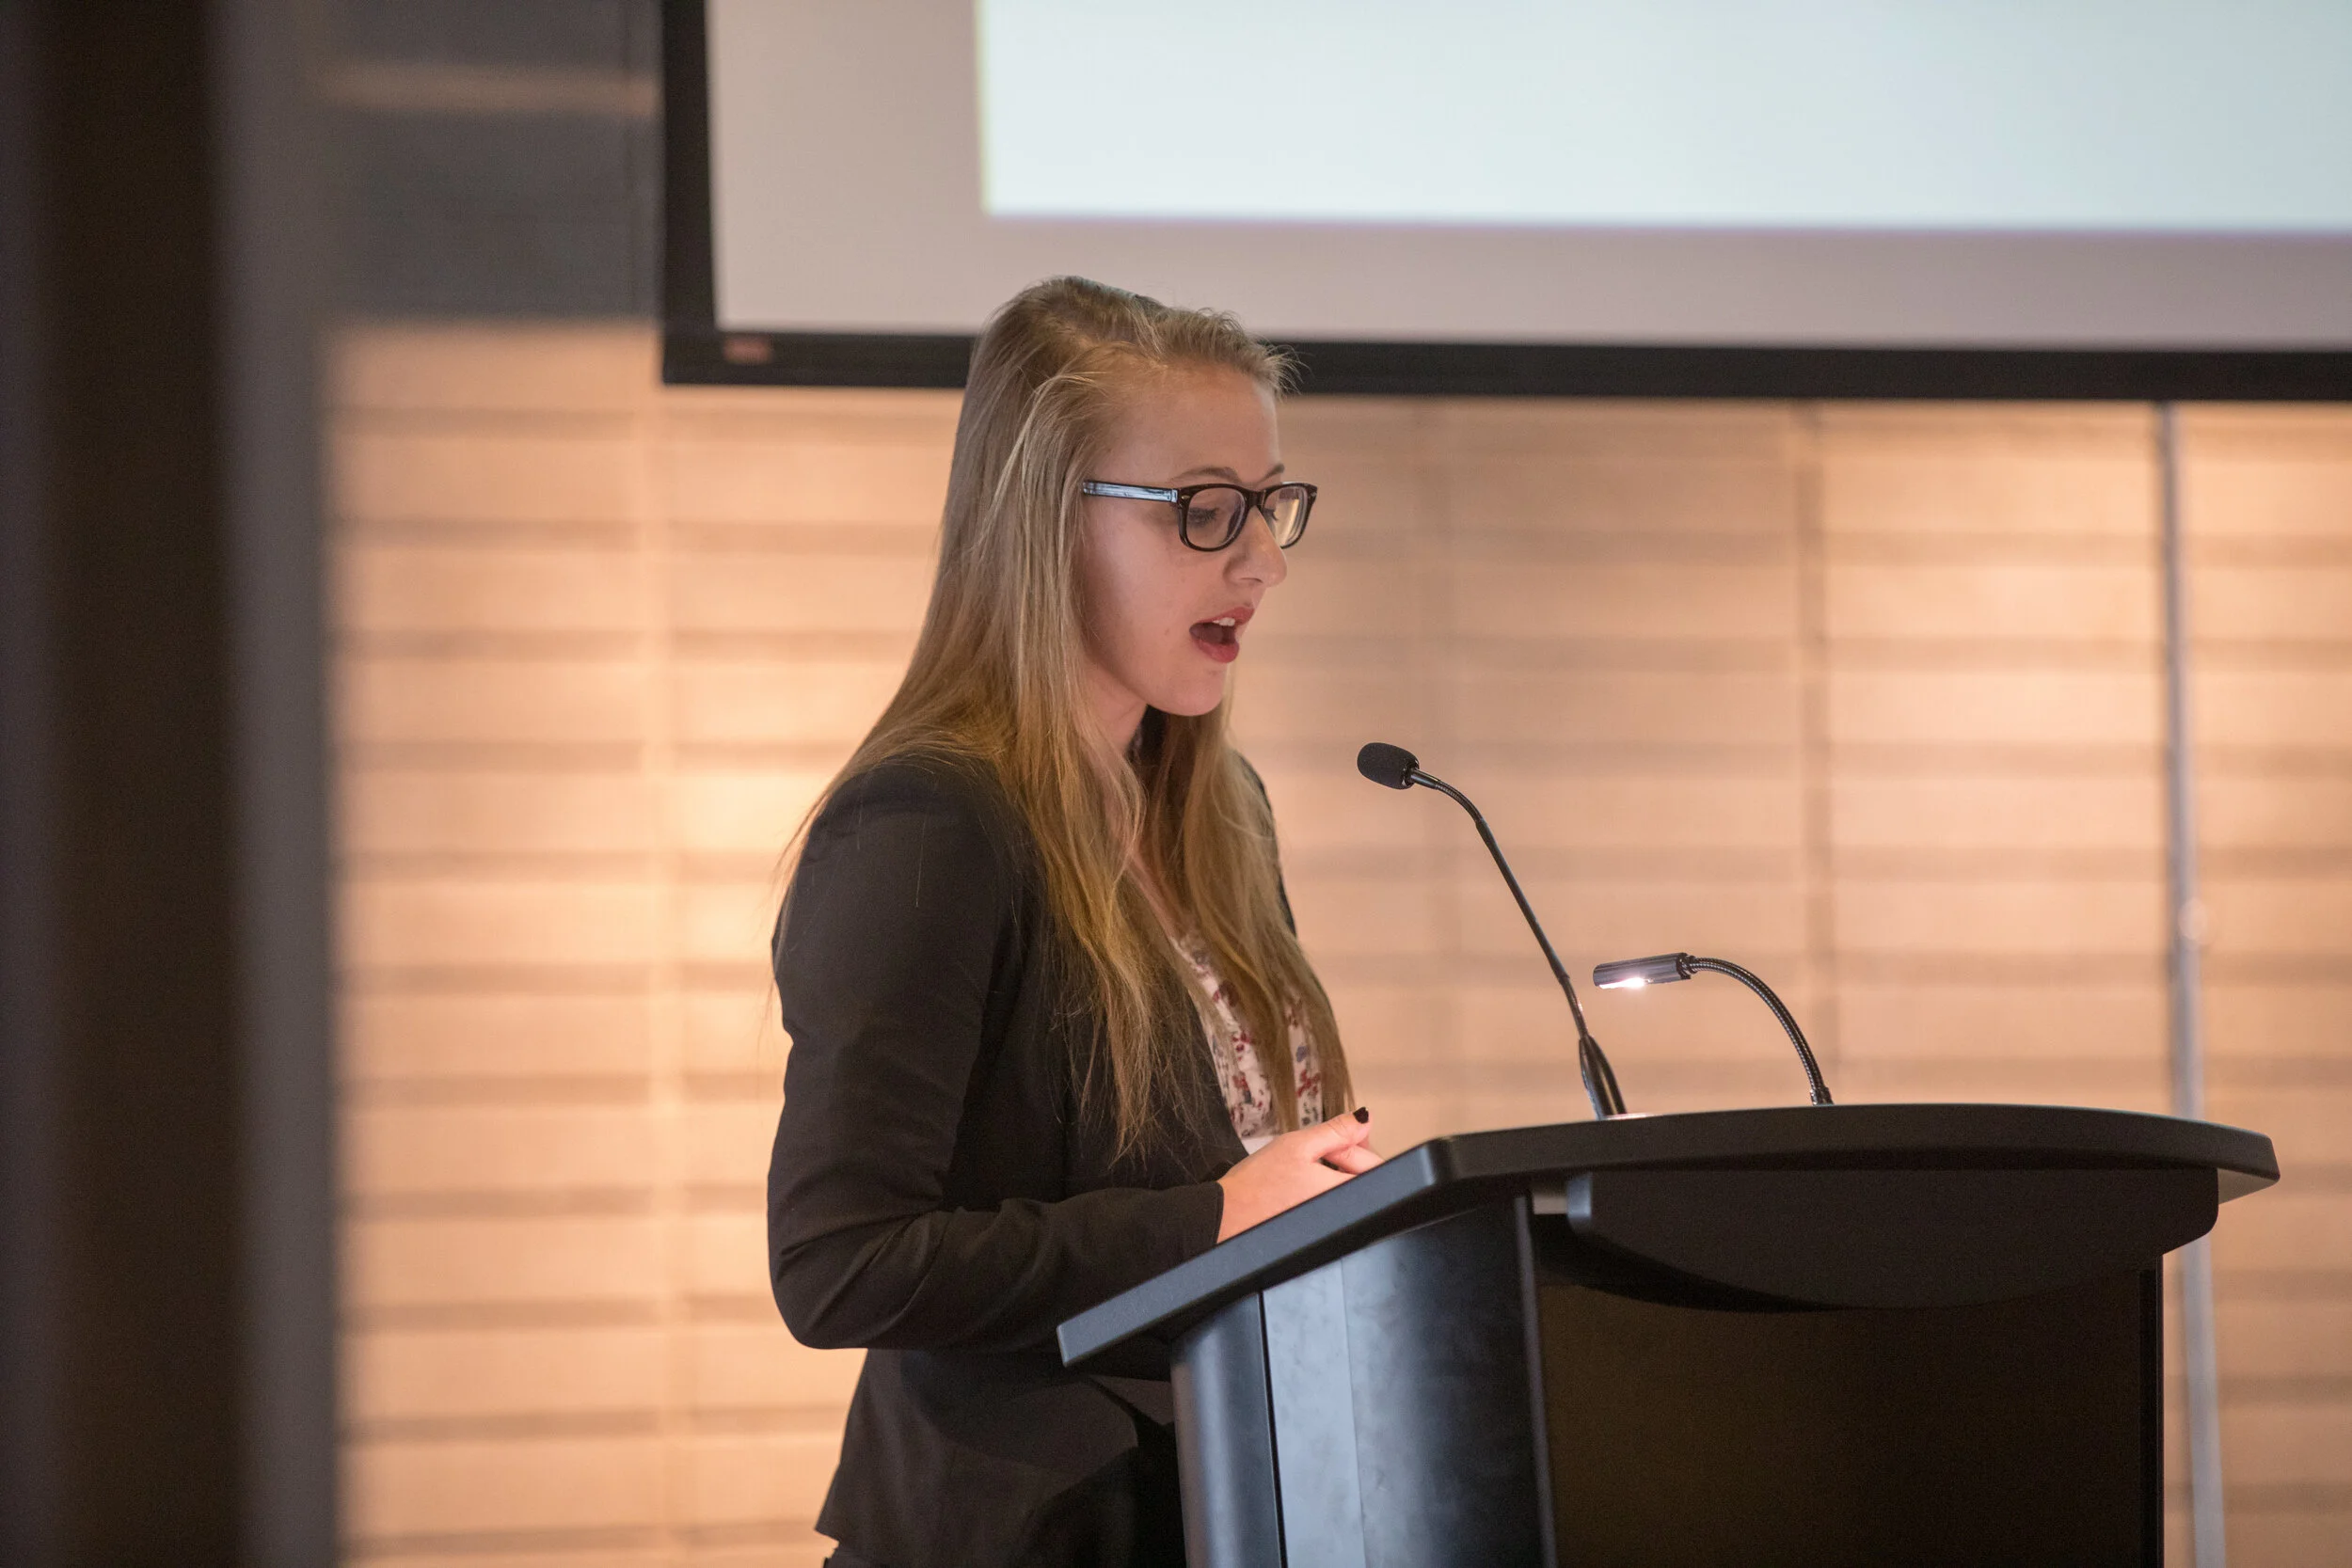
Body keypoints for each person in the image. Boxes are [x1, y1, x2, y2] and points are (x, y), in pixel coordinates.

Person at [766, 277, 1379, 1568]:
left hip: (1226, 1505)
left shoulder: (1223, 807)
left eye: (1269, 505)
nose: (1261, 563)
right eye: (1205, 511)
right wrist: (1214, 1218)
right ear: (1046, 521)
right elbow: (842, 1264)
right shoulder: (928, 826)